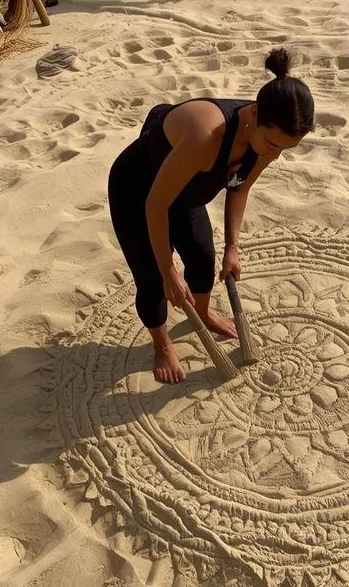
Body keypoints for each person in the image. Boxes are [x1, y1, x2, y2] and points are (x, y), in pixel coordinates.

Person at [108, 47, 315, 384]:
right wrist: (168, 270)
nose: (276, 155)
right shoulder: (207, 135)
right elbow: (156, 205)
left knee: (204, 259)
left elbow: (239, 189)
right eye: (273, 145)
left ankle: (202, 313)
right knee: (153, 280)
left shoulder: (266, 138)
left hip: (185, 191)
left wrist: (233, 247)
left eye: (284, 148)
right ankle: (161, 344)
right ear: (254, 114)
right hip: (139, 191)